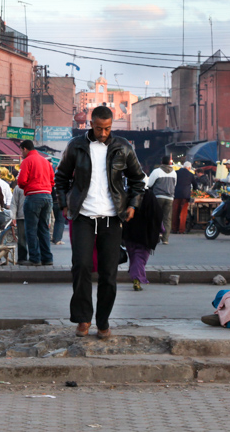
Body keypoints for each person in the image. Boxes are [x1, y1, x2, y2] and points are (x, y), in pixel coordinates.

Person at [55, 105, 145, 339]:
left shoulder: (122, 147)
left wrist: (133, 205)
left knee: (108, 272)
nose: (103, 133)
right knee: (81, 266)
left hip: (112, 218)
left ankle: (103, 321)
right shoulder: (76, 145)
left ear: (111, 126)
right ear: (90, 124)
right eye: (98, 128)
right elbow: (61, 177)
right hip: (83, 215)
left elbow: (138, 179)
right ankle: (83, 319)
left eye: (106, 129)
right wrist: (64, 205)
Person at [17, 140, 56, 266]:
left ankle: (35, 258)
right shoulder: (46, 161)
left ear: (24, 149)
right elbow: (52, 181)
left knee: (31, 229)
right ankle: (47, 258)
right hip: (47, 196)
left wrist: (29, 187)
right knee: (44, 228)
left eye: (21, 150)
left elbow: (21, 181)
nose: (21, 153)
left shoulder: (27, 161)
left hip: (33, 196)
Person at [123, 186, 164, 291]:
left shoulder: (129, 194)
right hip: (145, 234)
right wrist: (161, 229)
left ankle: (135, 276)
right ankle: (137, 279)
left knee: (133, 256)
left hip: (130, 233)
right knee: (140, 258)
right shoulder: (150, 196)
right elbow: (157, 214)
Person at [145, 155, 177, 244]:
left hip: (158, 197)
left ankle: (156, 236)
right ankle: (165, 239)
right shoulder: (174, 173)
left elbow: (149, 184)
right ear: (170, 163)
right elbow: (174, 185)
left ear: (161, 162)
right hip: (170, 197)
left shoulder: (156, 172)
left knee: (156, 217)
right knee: (167, 218)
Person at [173, 161, 197, 234]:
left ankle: (174, 229)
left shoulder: (176, 172)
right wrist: (194, 191)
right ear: (189, 168)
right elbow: (195, 185)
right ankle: (181, 230)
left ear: (183, 166)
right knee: (183, 213)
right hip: (185, 195)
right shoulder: (190, 174)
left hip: (176, 194)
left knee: (175, 212)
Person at [10, 181, 28, 264]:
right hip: (21, 217)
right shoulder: (18, 187)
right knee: (21, 239)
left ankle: (35, 257)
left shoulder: (37, 186)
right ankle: (22, 258)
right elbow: (14, 203)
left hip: (35, 217)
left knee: (35, 238)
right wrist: (13, 216)